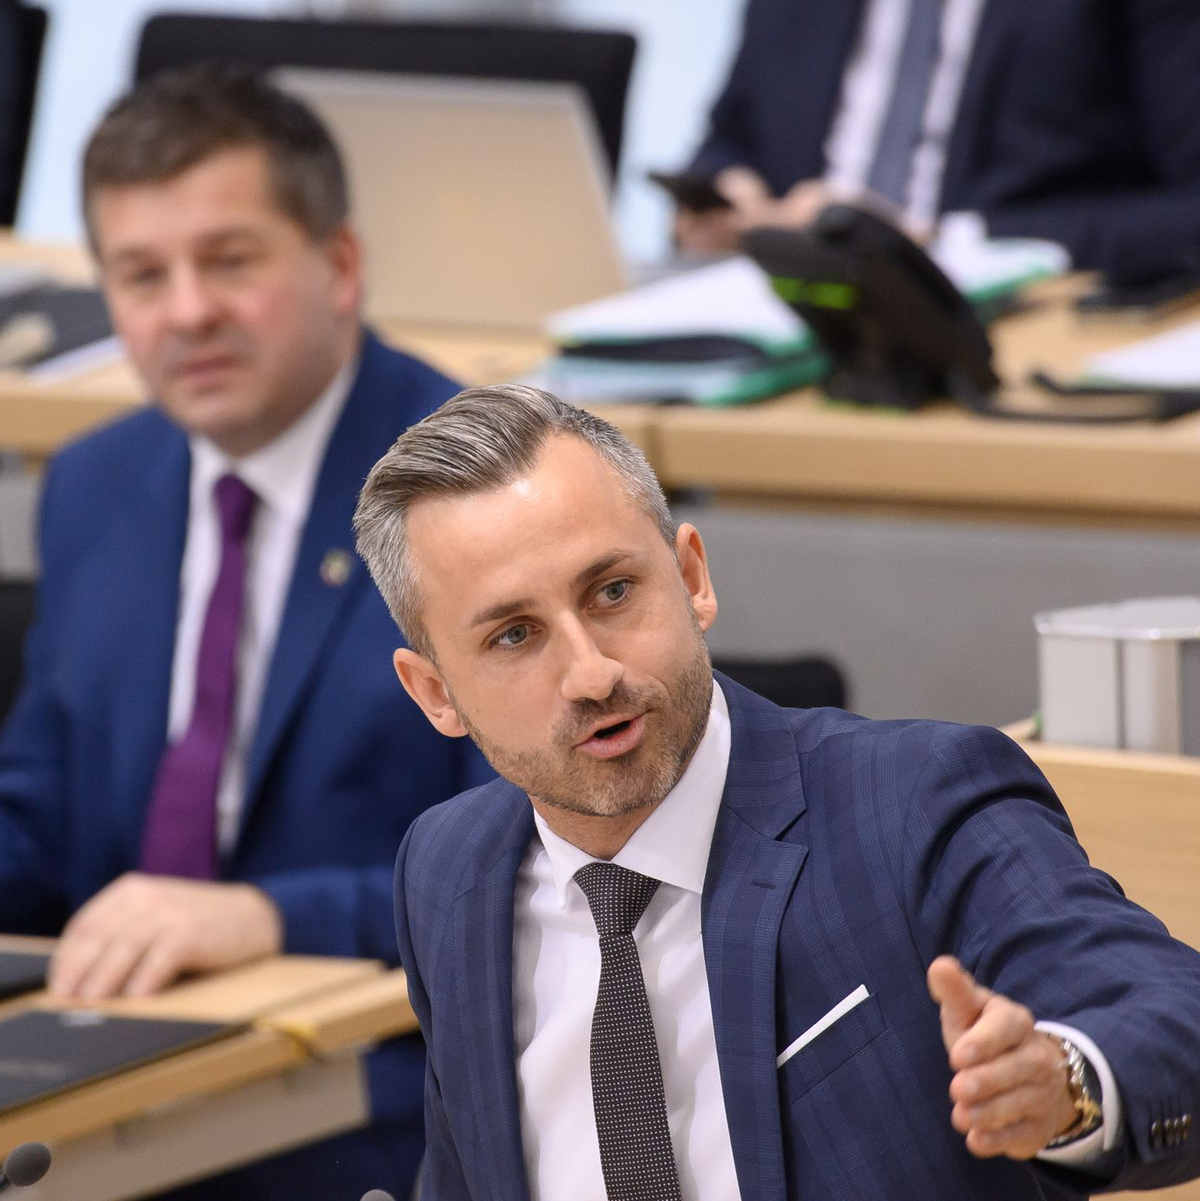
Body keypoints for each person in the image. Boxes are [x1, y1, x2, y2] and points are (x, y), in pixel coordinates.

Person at [354, 383, 1200, 1200]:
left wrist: (1068, 1084)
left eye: (612, 591)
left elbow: (1171, 1014)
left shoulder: (910, 805)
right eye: (514, 635)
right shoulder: (447, 870)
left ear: (691, 576)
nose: (590, 672)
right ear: (435, 693)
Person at [0, 65, 491, 1200]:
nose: (186, 313)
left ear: (340, 264)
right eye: (141, 275)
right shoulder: (96, 483)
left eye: (229, 261)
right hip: (122, 1066)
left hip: (377, 1101)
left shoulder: (480, 485)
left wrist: (266, 915)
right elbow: (42, 801)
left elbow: (550, 861)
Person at [675, 0, 1200, 275]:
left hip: (1004, 305)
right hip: (790, 297)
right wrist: (730, 192)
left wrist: (937, 241)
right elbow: (727, 139)